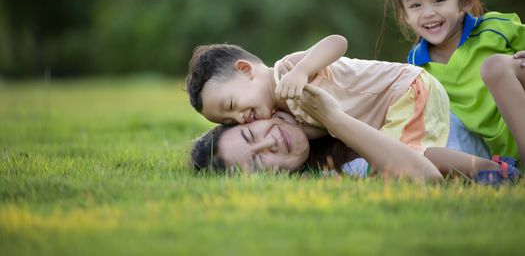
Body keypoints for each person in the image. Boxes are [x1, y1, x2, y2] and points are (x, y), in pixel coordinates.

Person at [191, 84, 520, 185]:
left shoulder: (322, 89)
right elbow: (427, 176)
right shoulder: (343, 171)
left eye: (253, 136)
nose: (270, 142)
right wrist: (334, 120)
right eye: (260, 160)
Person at [186, 34, 451, 154]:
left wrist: (303, 70)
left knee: (403, 159)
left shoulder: (287, 71)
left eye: (231, 104)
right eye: (230, 121)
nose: (240, 118)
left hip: (405, 89)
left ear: (245, 70)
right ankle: (484, 168)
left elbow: (338, 42)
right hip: (389, 112)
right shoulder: (285, 113)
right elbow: (327, 128)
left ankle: (484, 169)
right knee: (409, 154)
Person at [384, 0, 525, 162]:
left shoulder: (495, 29)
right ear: (405, 16)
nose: (428, 12)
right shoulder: (417, 69)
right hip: (489, 155)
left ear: (464, 2)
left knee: (494, 66)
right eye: (416, 5)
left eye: (439, 0)